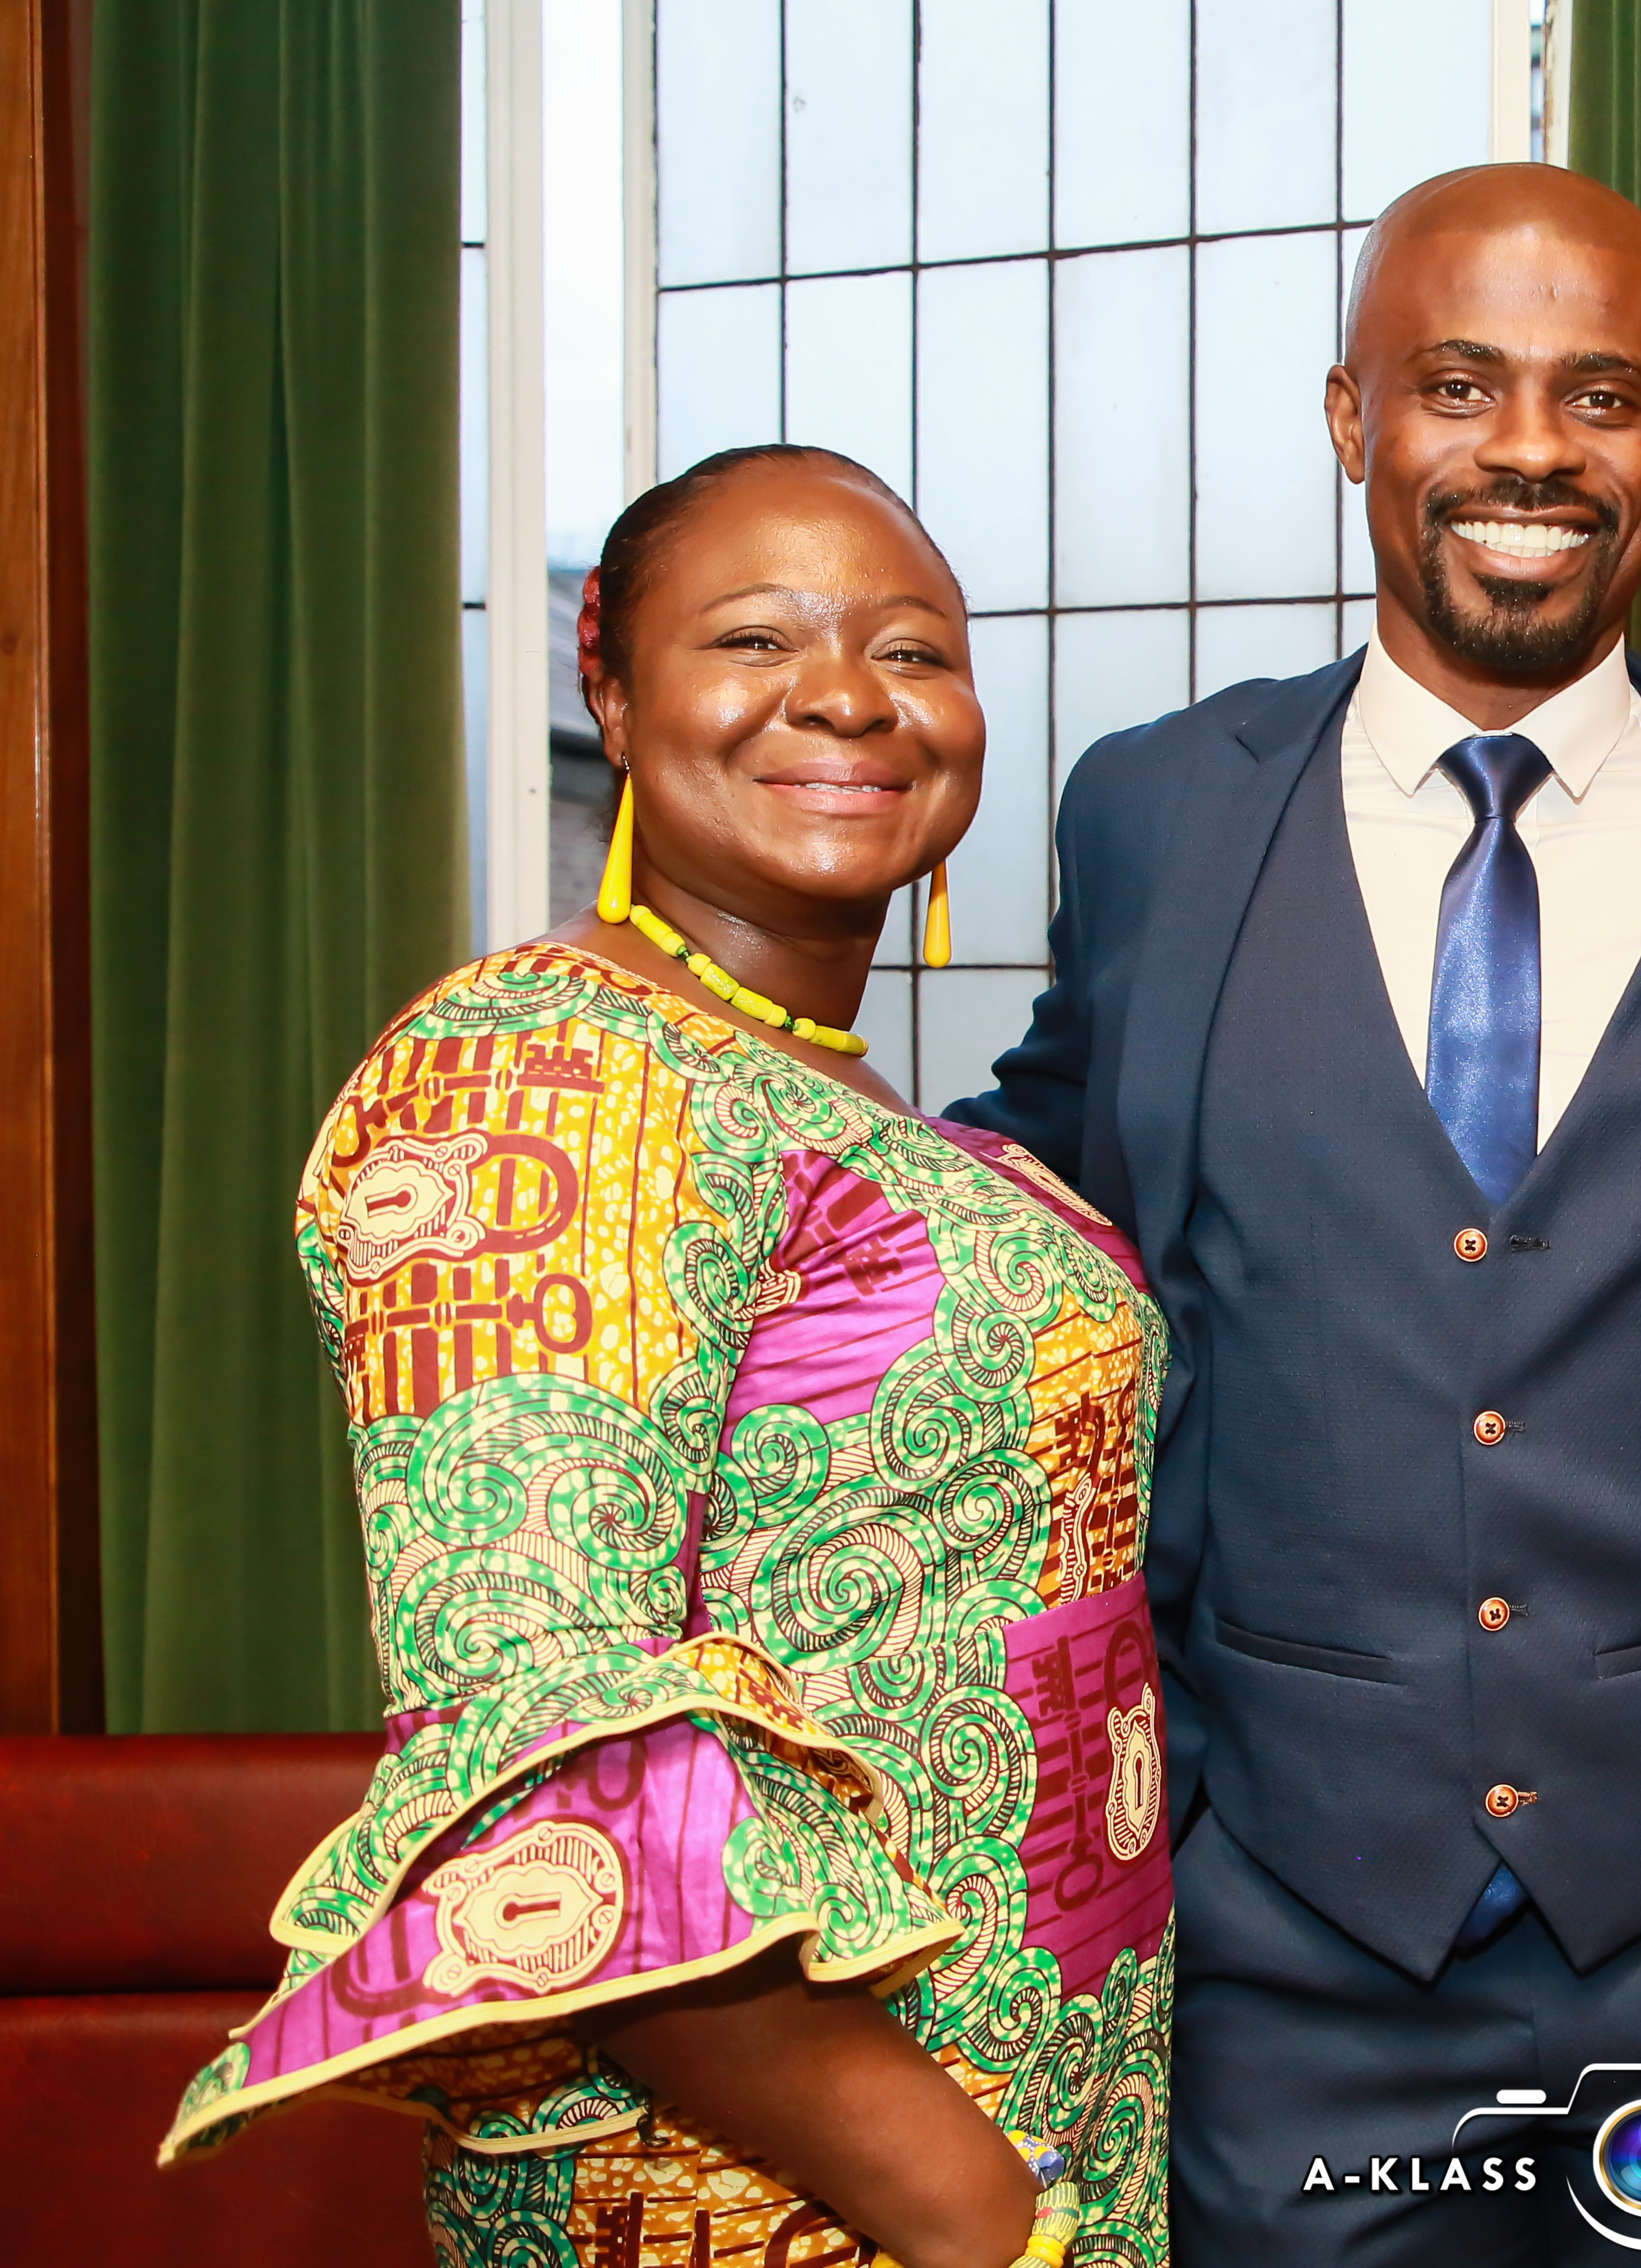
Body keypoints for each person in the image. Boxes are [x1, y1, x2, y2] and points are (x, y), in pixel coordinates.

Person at [950, 164, 1641, 2263]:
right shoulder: (1155, 817)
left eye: (1602, 396)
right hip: (1287, 1945)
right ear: (1353, 419)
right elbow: (1021, 1189)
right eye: (1460, 384)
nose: (1530, 449)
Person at [158, 446, 1171, 2268]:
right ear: (610, 690)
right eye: (755, 639)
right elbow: (555, 1753)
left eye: (914, 652)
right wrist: (971, 2213)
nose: (848, 694)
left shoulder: (853, 1105)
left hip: (1046, 2135)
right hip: (777, 2196)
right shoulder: (541, 1078)